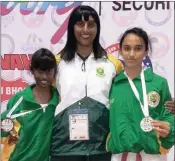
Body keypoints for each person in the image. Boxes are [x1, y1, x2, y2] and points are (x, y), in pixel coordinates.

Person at [50, 5, 124, 161]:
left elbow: (128, 96)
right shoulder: (56, 63)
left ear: (97, 28)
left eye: (91, 25)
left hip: (101, 146)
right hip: (64, 148)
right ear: (71, 27)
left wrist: (162, 105)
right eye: (80, 24)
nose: (86, 30)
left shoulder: (113, 64)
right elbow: (42, 99)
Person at [106, 27, 174, 161]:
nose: (131, 54)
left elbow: (169, 116)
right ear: (120, 51)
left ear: (145, 51)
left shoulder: (159, 83)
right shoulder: (113, 85)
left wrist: (169, 130)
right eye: (126, 48)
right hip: (119, 156)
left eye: (138, 48)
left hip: (152, 156)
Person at [1, 48, 59, 161]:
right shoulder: (19, 100)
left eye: (48, 71)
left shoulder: (59, 101)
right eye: (40, 71)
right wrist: (8, 132)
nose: (44, 77)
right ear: (32, 71)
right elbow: (4, 126)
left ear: (55, 72)